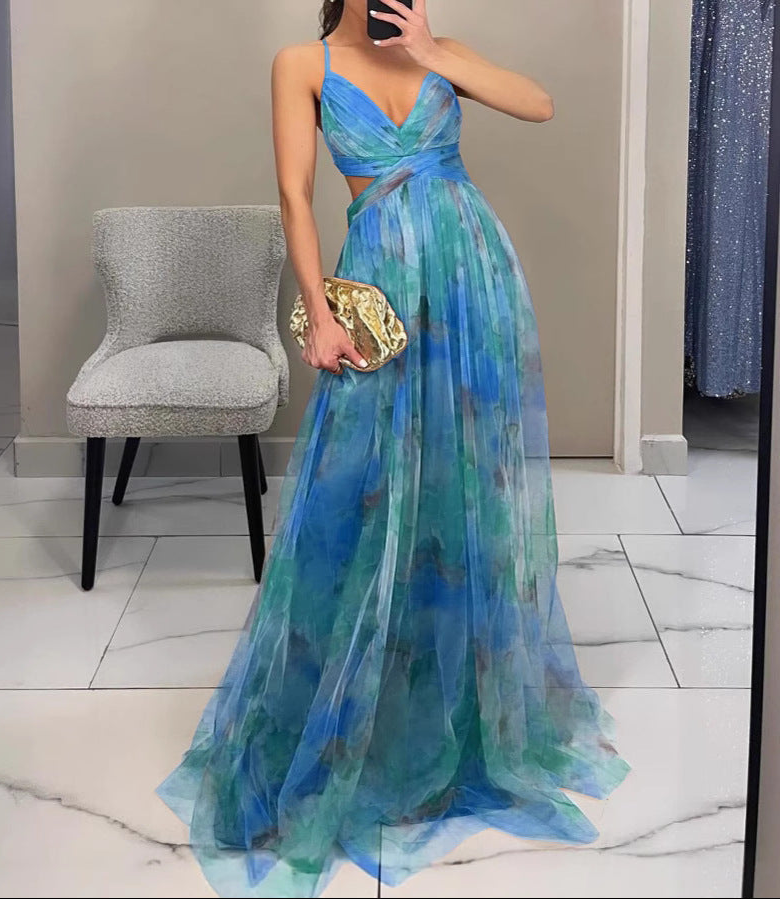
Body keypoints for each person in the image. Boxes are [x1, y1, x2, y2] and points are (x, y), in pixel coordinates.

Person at [157, 2, 630, 896]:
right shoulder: (301, 64)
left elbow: (538, 104)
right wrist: (318, 312)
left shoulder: (437, 50)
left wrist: (431, 51)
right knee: (363, 484)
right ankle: (355, 700)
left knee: (464, 480)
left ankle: (451, 698)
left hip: (471, 274)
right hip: (377, 277)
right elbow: (294, 192)